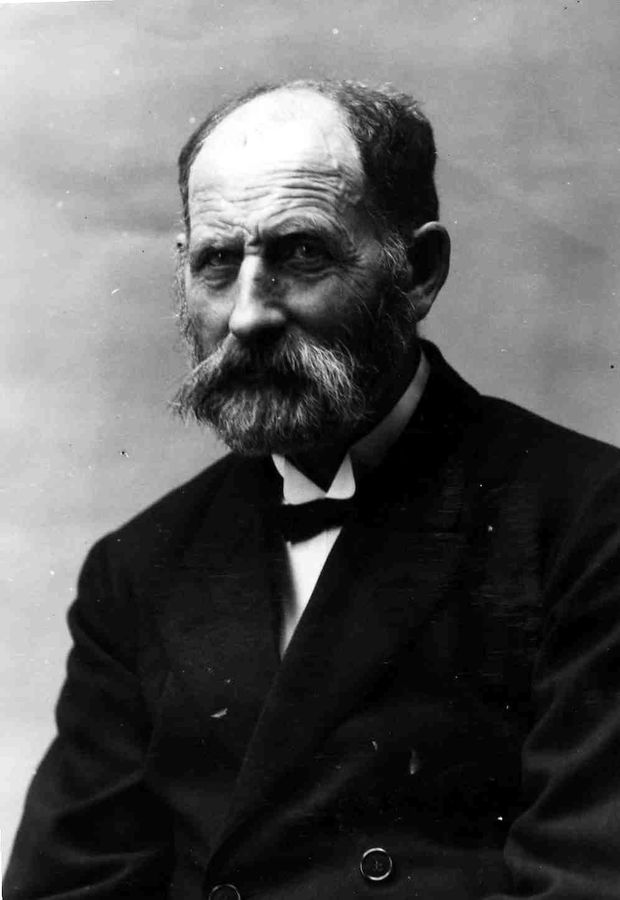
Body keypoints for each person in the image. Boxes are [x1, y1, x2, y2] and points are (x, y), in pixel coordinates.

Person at [5, 79, 620, 900]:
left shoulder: (590, 522)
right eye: (218, 262)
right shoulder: (138, 569)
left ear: (420, 272)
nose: (248, 315)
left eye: (301, 255)